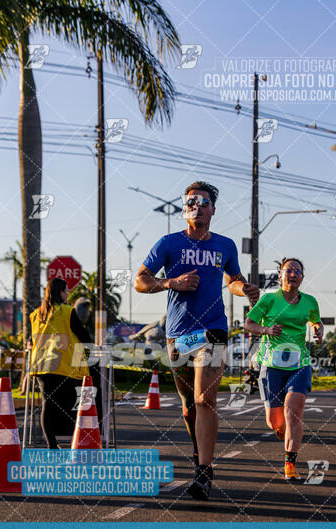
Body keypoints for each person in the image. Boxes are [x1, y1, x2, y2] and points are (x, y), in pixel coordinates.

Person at [135, 181, 259, 500]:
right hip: (178, 335)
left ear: (213, 210)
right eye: (191, 202)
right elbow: (140, 281)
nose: (197, 206)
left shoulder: (225, 246)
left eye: (203, 202)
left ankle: (204, 472)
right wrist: (171, 282)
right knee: (189, 407)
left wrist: (243, 289)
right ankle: (197, 452)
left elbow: (232, 281)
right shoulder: (168, 243)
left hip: (213, 330)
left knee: (205, 399)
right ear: (184, 209)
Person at [244, 258, 323, 480]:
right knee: (275, 421)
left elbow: (316, 321)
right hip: (271, 365)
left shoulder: (310, 301)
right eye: (289, 270)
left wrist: (318, 330)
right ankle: (281, 430)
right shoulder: (269, 299)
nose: (294, 274)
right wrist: (267, 330)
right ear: (280, 275)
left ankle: (290, 465)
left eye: (298, 271)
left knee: (293, 409)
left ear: (302, 277)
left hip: (300, 363)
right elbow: (248, 324)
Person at [29, 278, 91, 449]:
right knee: (75, 405)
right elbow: (84, 336)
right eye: (66, 290)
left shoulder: (36, 315)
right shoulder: (67, 311)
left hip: (41, 367)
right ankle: (76, 443)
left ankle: (52, 445)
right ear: (60, 292)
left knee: (47, 406)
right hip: (64, 367)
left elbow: (31, 340)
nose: (68, 293)